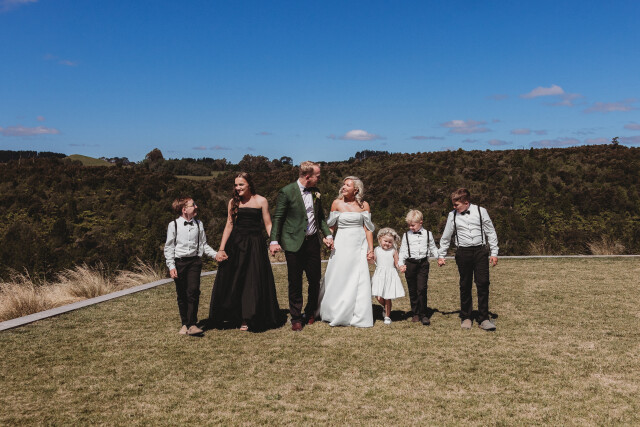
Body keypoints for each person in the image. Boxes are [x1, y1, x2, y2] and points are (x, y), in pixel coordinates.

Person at [209, 172, 284, 332]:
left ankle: (249, 317)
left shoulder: (261, 200)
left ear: (249, 184)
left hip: (255, 245)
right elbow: (229, 224)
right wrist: (221, 249)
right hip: (235, 245)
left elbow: (268, 224)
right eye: (236, 185)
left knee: (252, 280)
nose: (238, 188)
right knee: (235, 280)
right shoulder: (233, 202)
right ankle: (234, 316)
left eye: (241, 184)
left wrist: (274, 242)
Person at [269, 161, 333, 331]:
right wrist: (274, 241)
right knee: (295, 281)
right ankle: (296, 318)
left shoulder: (316, 192)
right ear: (308, 176)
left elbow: (320, 217)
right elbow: (278, 218)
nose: (319, 178)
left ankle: (310, 312)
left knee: (314, 280)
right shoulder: (286, 191)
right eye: (317, 176)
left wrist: (327, 235)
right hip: (292, 242)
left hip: (312, 242)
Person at [437, 188, 499, 331]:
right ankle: (466, 317)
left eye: (456, 205)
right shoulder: (452, 215)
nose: (454, 207)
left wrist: (494, 253)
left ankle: (484, 318)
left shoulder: (481, 211)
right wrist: (441, 255)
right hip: (463, 252)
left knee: (483, 283)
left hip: (480, 251)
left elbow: (491, 232)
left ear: (466, 202)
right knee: (465, 284)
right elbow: (446, 236)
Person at [317, 176, 375, 327]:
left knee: (358, 276)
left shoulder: (364, 205)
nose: (343, 187)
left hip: (359, 244)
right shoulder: (336, 203)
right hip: (342, 243)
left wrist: (370, 249)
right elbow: (331, 227)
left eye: (348, 185)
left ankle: (357, 313)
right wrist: (328, 238)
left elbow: (368, 229)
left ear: (356, 189)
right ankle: (334, 311)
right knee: (339, 274)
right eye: (343, 185)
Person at [164, 197, 217, 336]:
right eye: (193, 205)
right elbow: (169, 247)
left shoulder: (199, 224)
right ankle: (185, 323)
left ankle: (192, 324)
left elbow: (204, 245)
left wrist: (216, 255)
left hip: (194, 262)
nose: (196, 207)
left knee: (193, 291)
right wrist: (171, 266)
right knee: (182, 294)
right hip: (179, 263)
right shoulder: (173, 225)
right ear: (184, 209)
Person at [397, 210, 439, 325]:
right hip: (410, 264)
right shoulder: (406, 235)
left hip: (423, 264)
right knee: (412, 289)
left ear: (421, 222)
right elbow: (402, 251)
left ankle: (423, 314)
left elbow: (433, 248)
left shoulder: (428, 234)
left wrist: (439, 257)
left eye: (413, 225)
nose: (411, 227)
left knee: (422, 288)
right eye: (409, 225)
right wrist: (401, 264)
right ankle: (415, 313)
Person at [371, 228, 405, 325]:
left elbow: (397, 263)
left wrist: (400, 267)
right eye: (385, 241)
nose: (387, 243)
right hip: (379, 275)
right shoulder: (376, 250)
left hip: (390, 275)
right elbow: (373, 261)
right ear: (380, 239)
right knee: (378, 296)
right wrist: (369, 258)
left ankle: (387, 316)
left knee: (387, 297)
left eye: (390, 242)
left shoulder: (393, 251)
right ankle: (385, 307)